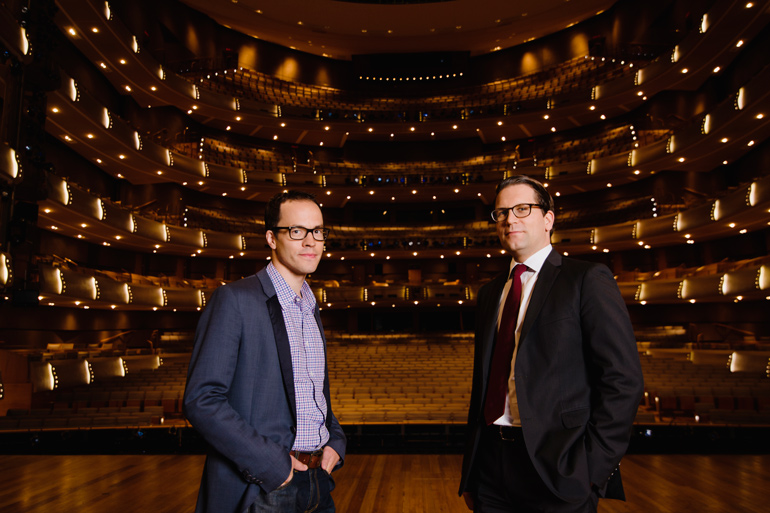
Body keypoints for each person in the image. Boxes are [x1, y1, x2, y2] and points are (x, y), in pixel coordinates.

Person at [459, 175, 643, 513]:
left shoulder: (586, 279)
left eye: (522, 209)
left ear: (548, 219)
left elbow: (623, 380)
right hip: (491, 466)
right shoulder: (490, 293)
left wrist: (591, 469)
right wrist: (472, 473)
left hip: (560, 466)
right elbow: (482, 386)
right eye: (501, 212)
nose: (509, 219)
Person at [184, 190, 346, 513]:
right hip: (264, 486)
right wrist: (273, 465)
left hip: (318, 481)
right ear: (272, 238)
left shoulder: (311, 306)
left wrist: (336, 442)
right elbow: (202, 400)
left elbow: (313, 395)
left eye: (317, 231)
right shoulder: (235, 300)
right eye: (297, 231)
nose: (311, 241)